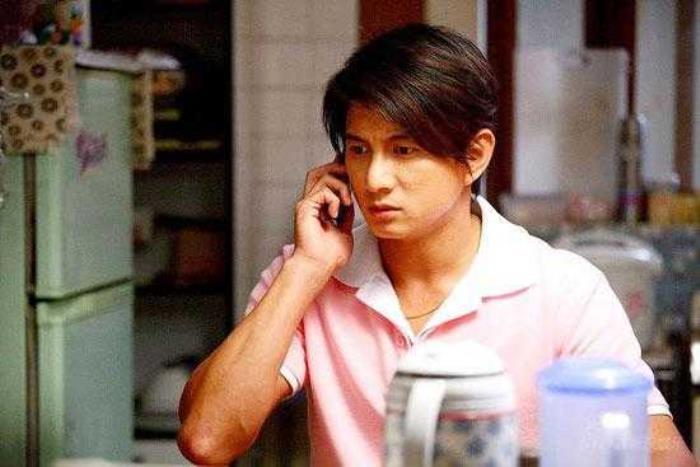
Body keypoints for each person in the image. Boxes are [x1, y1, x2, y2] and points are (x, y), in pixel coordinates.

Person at [177, 24, 695, 466]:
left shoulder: (563, 289)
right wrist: (306, 267)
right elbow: (206, 440)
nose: (375, 179)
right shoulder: (310, 277)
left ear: (474, 156)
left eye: (404, 150)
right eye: (359, 150)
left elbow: (663, 454)